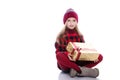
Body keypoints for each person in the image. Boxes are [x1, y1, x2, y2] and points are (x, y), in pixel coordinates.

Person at [54, 8, 103, 78]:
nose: (71, 23)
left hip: (78, 61)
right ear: (65, 22)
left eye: (74, 20)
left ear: (76, 22)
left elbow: (84, 50)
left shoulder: (80, 36)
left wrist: (92, 57)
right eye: (69, 20)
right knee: (59, 55)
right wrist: (68, 54)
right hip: (67, 64)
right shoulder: (61, 36)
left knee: (99, 57)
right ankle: (80, 70)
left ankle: (76, 70)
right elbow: (58, 53)